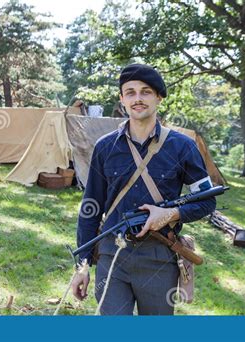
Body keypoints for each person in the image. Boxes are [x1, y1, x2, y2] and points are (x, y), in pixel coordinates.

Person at [72, 64, 217, 315]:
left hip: (159, 258)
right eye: (130, 92)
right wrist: (82, 265)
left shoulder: (183, 147)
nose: (137, 99)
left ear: (159, 96)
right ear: (122, 99)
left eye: (145, 91)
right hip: (112, 256)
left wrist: (171, 214)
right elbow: (90, 208)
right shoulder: (105, 147)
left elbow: (208, 201)